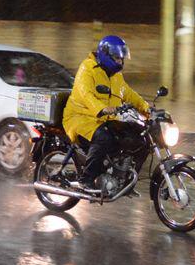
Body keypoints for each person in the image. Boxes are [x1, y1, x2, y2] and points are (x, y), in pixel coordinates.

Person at [62, 35, 150, 191]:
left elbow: (128, 93)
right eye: (117, 58)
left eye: (122, 59)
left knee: (139, 138)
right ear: (105, 54)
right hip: (80, 117)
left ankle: (125, 180)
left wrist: (146, 108)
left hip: (105, 118)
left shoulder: (116, 75)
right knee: (104, 138)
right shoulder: (88, 68)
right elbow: (86, 94)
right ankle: (86, 179)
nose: (120, 62)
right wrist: (101, 109)